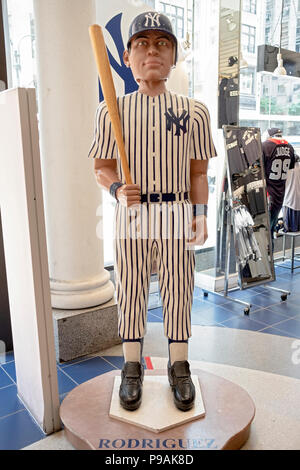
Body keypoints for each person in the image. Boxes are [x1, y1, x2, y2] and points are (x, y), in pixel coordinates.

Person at [89, 11, 217, 412]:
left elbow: (199, 171)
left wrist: (199, 214)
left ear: (174, 55)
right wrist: (114, 187)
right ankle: (131, 366)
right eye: (142, 44)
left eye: (162, 43)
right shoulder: (111, 110)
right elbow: (101, 167)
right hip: (132, 213)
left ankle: (179, 365)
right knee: (131, 288)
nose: (152, 51)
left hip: (177, 207)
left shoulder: (194, 111)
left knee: (179, 287)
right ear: (127, 57)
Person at [262, 128, 296, 248]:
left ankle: (265, 263)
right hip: (280, 194)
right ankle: (270, 261)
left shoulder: (265, 146)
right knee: (270, 229)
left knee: (263, 231)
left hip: (267, 194)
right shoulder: (290, 148)